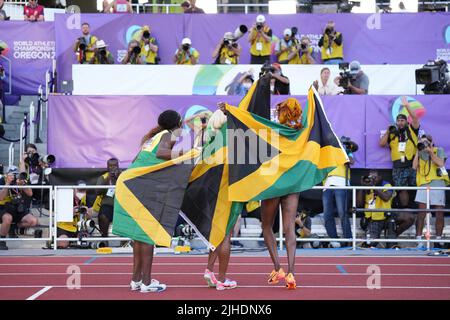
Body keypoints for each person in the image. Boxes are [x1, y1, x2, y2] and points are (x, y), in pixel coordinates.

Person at [129, 110, 184, 293]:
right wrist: (186, 153)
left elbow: (137, 160)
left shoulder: (152, 137)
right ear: (178, 123)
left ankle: (136, 280)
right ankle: (146, 283)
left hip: (132, 184)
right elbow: (162, 153)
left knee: (139, 236)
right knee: (147, 236)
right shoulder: (167, 135)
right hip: (142, 188)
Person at [379, 96, 420, 217]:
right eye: (398, 121)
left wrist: (407, 105)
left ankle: (413, 211)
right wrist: (388, 131)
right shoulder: (392, 133)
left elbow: (415, 118)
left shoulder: (412, 130)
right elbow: (381, 144)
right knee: (402, 190)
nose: (400, 123)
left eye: (402, 120)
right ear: (396, 122)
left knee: (414, 188)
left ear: (406, 121)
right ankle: (405, 211)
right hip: (397, 166)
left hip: (412, 164)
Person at [413, 134, 448, 248]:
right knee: (421, 212)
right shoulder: (420, 151)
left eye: (426, 141)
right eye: (422, 141)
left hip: (437, 183)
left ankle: (438, 239)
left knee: (439, 212)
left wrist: (430, 151)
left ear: (431, 142)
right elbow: (414, 167)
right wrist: (418, 150)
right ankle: (418, 239)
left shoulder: (439, 150)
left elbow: (441, 163)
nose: (424, 143)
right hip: (423, 183)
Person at [322, 136, 356, 248]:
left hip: (342, 183)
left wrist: (345, 151)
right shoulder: (328, 151)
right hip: (327, 184)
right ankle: (334, 240)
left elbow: (352, 161)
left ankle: (349, 240)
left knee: (343, 213)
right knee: (327, 215)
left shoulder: (347, 151)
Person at [0, 166, 37, 250]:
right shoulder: (2, 180)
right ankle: (1, 240)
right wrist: (7, 183)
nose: (14, 176)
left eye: (16, 174)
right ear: (6, 174)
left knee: (33, 221)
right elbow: (1, 197)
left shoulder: (18, 182)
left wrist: (23, 184)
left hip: (17, 207)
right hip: (3, 207)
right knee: (8, 218)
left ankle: (13, 228)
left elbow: (30, 193)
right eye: (12, 174)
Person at [357, 170, 395, 248]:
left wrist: (374, 187)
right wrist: (362, 187)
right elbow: (359, 204)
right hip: (372, 219)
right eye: (370, 177)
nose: (372, 179)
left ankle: (392, 242)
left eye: (374, 177)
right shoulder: (367, 186)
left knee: (404, 218)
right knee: (371, 243)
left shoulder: (386, 185)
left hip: (385, 216)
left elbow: (386, 197)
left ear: (380, 177)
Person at [56, 181, 93, 249]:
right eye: (79, 190)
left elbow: (90, 216)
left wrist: (87, 212)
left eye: (83, 190)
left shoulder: (87, 198)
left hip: (80, 227)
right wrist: (71, 213)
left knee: (85, 243)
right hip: (65, 227)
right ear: (74, 189)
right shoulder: (64, 197)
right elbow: (59, 216)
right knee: (63, 242)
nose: (81, 193)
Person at [93, 158, 121, 239]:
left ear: (118, 166)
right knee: (103, 216)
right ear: (107, 167)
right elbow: (97, 192)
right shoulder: (103, 177)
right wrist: (108, 179)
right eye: (110, 166)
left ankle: (124, 243)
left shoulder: (123, 175)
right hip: (108, 205)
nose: (113, 168)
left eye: (115, 166)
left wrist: (118, 177)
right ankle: (104, 238)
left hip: (121, 205)